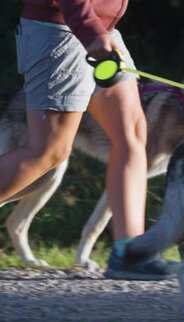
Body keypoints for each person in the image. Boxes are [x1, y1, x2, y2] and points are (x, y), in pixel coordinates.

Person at [3, 0, 172, 280]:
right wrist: (90, 31)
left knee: (132, 135)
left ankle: (130, 253)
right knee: (48, 150)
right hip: (59, 30)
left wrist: (96, 31)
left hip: (101, 30)